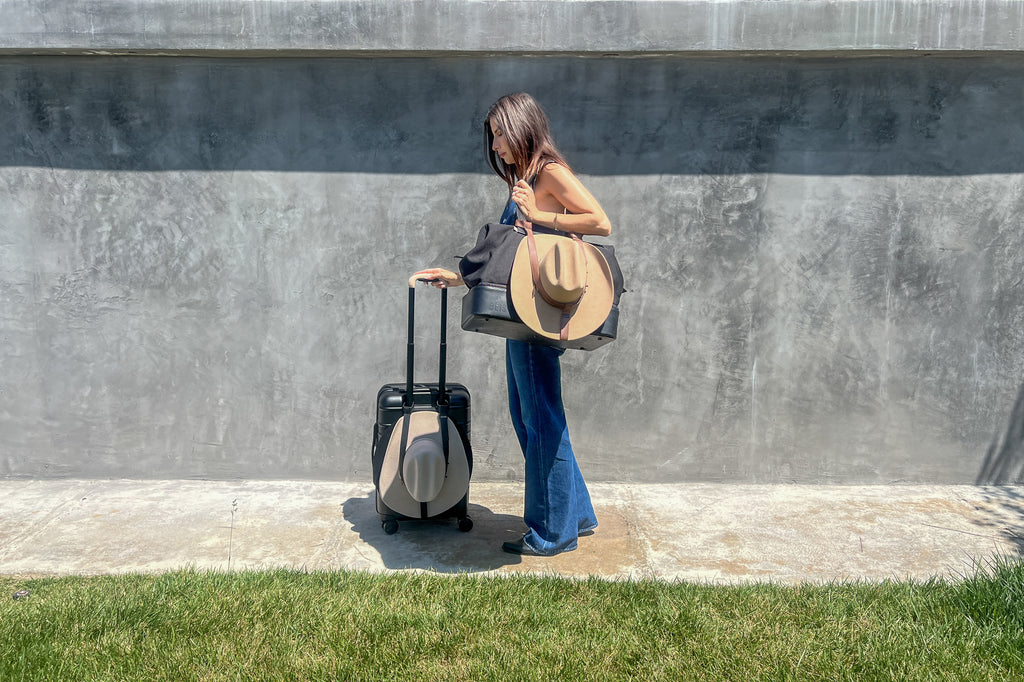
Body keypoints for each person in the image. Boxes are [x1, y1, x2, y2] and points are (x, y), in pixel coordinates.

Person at [412, 92, 611, 556]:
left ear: (521, 127)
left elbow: (599, 220)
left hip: (539, 320)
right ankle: (574, 513)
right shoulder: (524, 178)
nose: (495, 144)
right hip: (523, 316)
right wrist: (460, 276)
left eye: (500, 133)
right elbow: (514, 255)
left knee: (540, 419)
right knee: (531, 417)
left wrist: (538, 212)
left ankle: (553, 532)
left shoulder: (547, 171)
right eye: (493, 135)